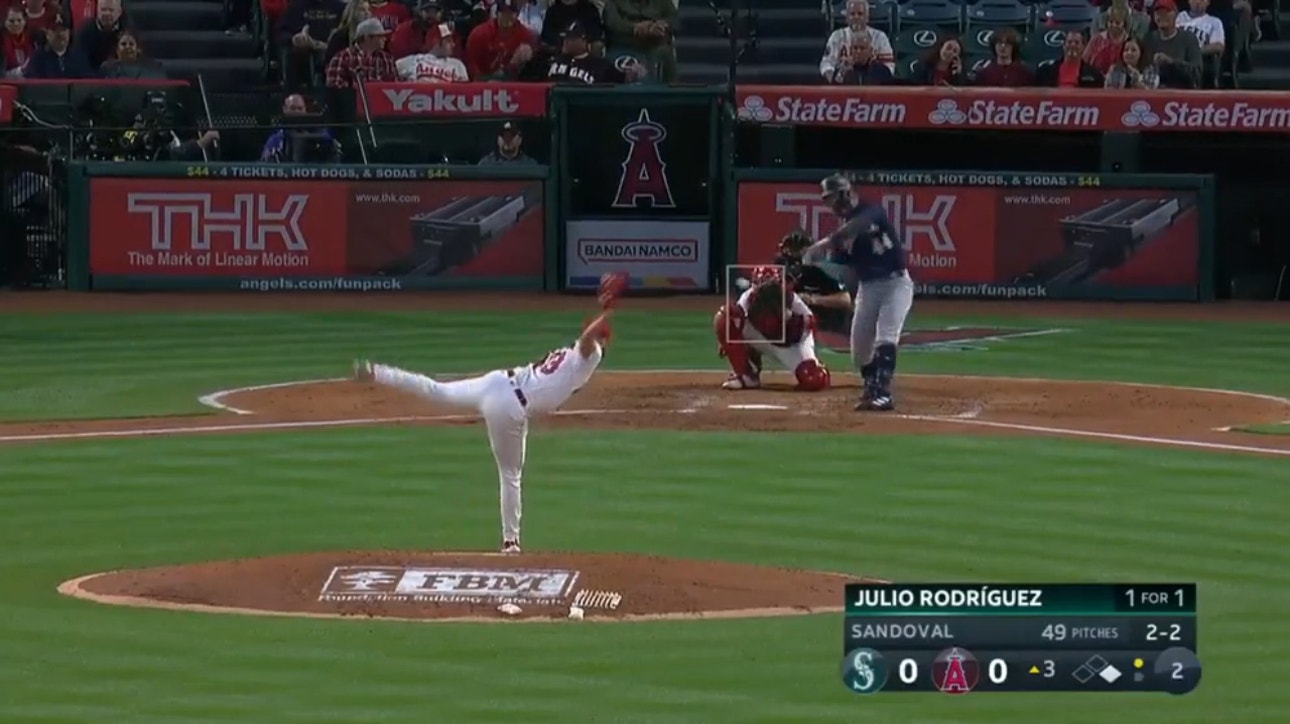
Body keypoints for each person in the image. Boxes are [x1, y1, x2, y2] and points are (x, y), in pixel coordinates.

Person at [352, 272, 628, 554]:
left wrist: (603, 315)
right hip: (509, 407)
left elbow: (580, 342)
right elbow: (587, 340)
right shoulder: (590, 353)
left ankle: (377, 373)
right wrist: (607, 314)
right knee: (510, 474)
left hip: (496, 382)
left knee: (438, 390)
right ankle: (511, 542)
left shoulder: (567, 353)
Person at [804, 174, 913, 412]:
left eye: (832, 198)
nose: (831, 205)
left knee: (886, 335)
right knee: (859, 352)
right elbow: (846, 266)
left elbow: (859, 225)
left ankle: (882, 393)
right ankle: (872, 384)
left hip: (896, 285)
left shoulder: (871, 211)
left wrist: (825, 243)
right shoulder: (844, 232)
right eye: (827, 200)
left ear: (844, 193)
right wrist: (812, 262)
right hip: (868, 288)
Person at [713, 265, 832, 393]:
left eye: (771, 286)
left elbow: (810, 324)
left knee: (814, 380)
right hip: (763, 337)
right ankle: (746, 374)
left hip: (791, 344)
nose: (767, 291)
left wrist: (807, 351)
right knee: (724, 317)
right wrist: (729, 341)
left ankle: (816, 366)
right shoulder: (748, 298)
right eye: (764, 286)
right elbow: (735, 319)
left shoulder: (790, 299)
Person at [774, 230, 854, 339]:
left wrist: (813, 299)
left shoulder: (817, 273)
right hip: (789, 328)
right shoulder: (777, 275)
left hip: (824, 328)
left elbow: (846, 300)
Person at [521, 21, 641, 83]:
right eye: (565, 38)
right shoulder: (551, 59)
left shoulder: (600, 64)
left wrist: (635, 73)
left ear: (583, 40)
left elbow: (623, 81)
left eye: (571, 39)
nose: (565, 42)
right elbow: (527, 79)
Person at [602, 0, 677, 83]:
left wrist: (662, 24)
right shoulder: (614, 2)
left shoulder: (663, 2)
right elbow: (612, 22)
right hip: (624, 45)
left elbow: (674, 20)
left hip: (654, 44)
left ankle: (670, 91)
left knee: (665, 53)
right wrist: (635, 28)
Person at [820, 0, 895, 83]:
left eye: (860, 14)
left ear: (867, 17)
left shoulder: (880, 37)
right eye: (852, 14)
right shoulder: (837, 36)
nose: (856, 17)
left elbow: (889, 67)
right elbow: (826, 64)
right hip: (844, 85)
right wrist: (835, 81)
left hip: (873, 85)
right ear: (847, 17)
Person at [465, 0, 537, 79]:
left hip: (515, 84)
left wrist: (528, 58)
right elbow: (473, 70)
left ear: (517, 15)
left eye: (510, 13)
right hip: (484, 84)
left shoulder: (526, 36)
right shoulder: (479, 34)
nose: (507, 17)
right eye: (503, 13)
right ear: (497, 14)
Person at [260, 93, 341, 161]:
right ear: (284, 109)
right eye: (293, 108)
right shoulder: (277, 137)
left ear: (305, 110)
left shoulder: (319, 132)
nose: (297, 112)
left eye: (300, 108)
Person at [324, 17, 397, 88]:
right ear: (368, 37)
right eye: (381, 36)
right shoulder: (342, 58)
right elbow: (335, 91)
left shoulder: (387, 59)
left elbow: (395, 87)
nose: (385, 39)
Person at [1144, 0, 1202, 88]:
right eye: (1158, 13)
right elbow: (1144, 68)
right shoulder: (1149, 39)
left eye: (1166, 13)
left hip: (1181, 93)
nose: (1162, 16)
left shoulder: (1188, 38)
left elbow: (1197, 72)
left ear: (1175, 14)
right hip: (1154, 92)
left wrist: (1171, 62)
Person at [23, 11, 93, 79]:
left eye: (63, 30)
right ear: (47, 34)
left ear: (69, 33)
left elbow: (87, 82)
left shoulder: (79, 56)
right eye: (55, 30)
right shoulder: (38, 57)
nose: (60, 34)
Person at [1035, 30, 1104, 87]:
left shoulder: (1094, 75)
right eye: (1069, 42)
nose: (1072, 45)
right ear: (1064, 46)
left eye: (1076, 43)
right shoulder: (1045, 72)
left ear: (1083, 47)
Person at [389, 0, 455, 60]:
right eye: (428, 11)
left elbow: (453, 57)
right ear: (420, 11)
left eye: (436, 12)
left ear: (441, 13)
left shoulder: (445, 30)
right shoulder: (404, 30)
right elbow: (399, 57)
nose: (432, 15)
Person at [396, 27, 468, 81]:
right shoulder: (414, 60)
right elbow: (391, 72)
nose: (453, 45)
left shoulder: (457, 64)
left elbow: (465, 91)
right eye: (448, 41)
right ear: (436, 41)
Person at [75, 0, 128, 70]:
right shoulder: (85, 31)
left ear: (119, 12)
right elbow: (81, 61)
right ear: (97, 10)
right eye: (103, 10)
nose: (106, 14)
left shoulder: (127, 29)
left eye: (111, 10)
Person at [99, 30, 168, 79]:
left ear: (138, 49)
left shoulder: (154, 67)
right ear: (117, 50)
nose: (127, 47)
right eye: (123, 44)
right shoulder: (107, 68)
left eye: (131, 44)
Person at [1084, 7, 1131, 75]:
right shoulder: (1096, 39)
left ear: (1124, 24)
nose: (1113, 25)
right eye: (1111, 22)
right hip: (1096, 80)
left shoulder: (1129, 41)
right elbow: (1084, 61)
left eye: (1117, 23)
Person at [324, 0, 371, 65]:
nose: (367, 13)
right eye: (362, 10)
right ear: (353, 12)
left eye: (368, 10)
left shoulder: (372, 35)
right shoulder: (340, 36)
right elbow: (330, 62)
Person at [3, 5, 34, 76]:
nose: (16, 24)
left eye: (19, 20)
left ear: (25, 22)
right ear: (5, 23)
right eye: (11, 21)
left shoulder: (33, 39)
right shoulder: (1, 41)